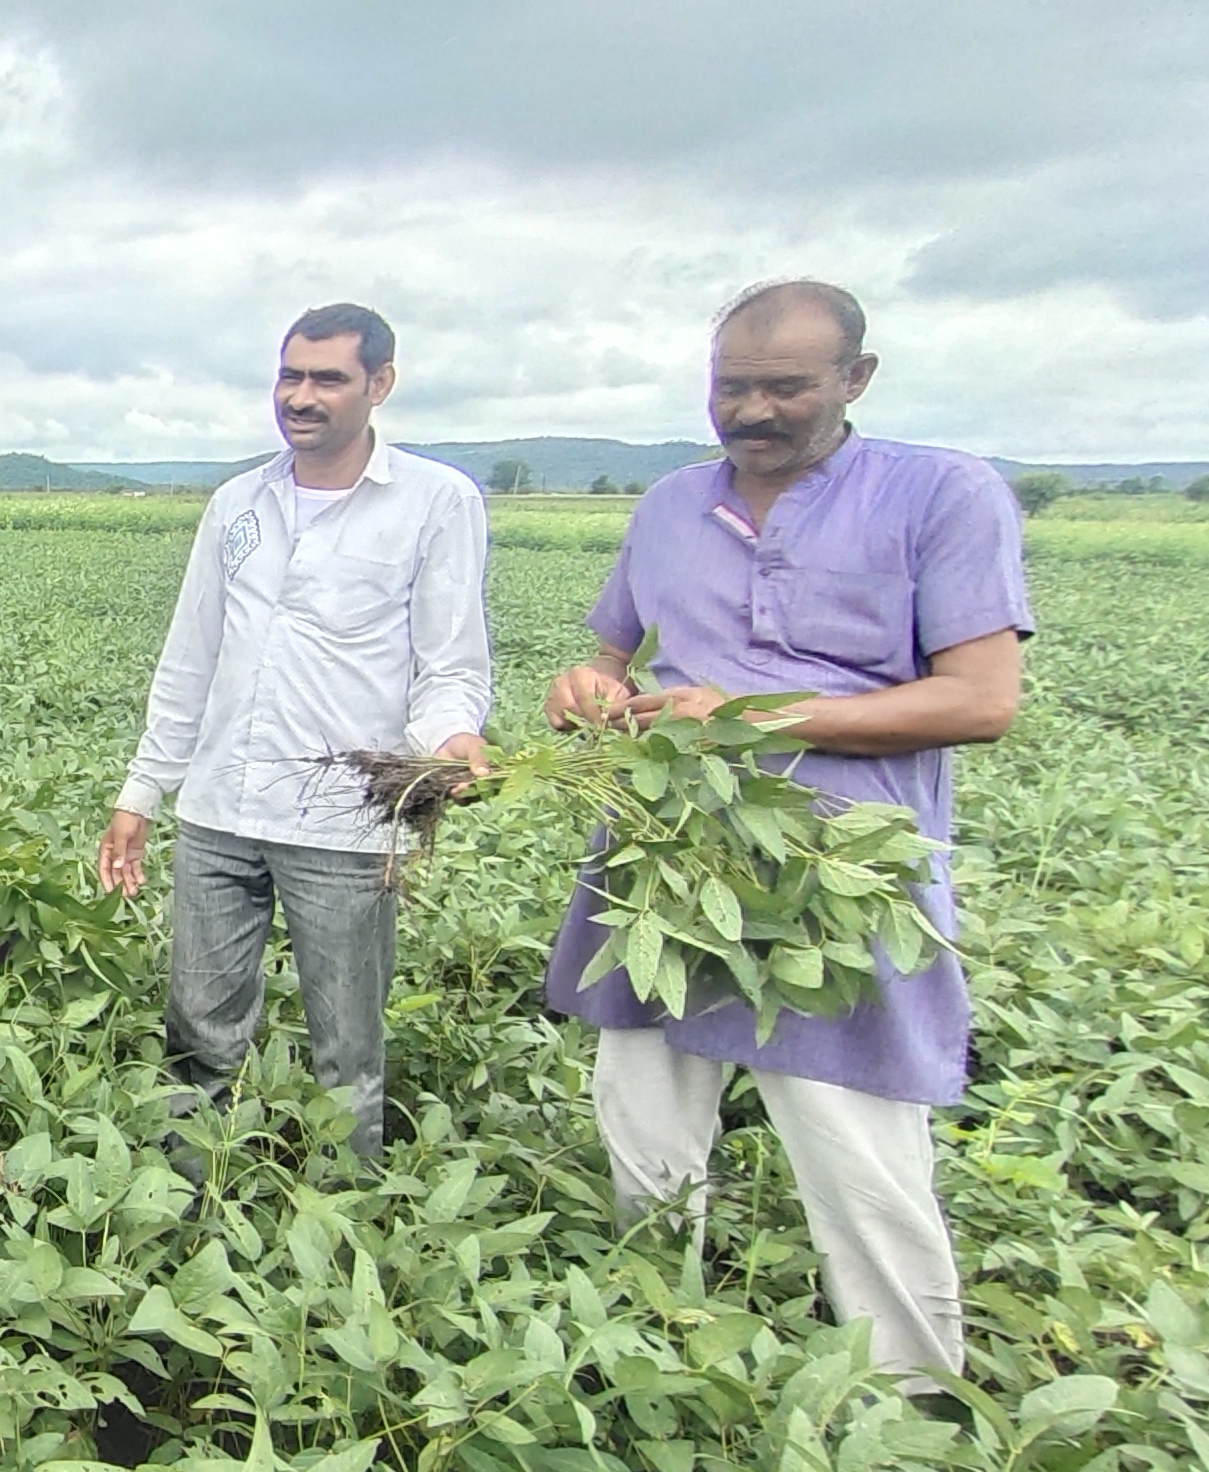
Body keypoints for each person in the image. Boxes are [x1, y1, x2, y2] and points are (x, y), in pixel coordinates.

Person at [543, 280, 1022, 1390]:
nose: (753, 409)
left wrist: (753, 715)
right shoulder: (669, 503)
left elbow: (982, 699)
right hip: (662, 865)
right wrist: (587, 687)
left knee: (858, 1148)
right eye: (732, 386)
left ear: (856, 379)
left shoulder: (943, 494)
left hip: (837, 879)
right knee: (645, 1114)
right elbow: (611, 659)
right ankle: (655, 1348)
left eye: (786, 386)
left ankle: (909, 1397)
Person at [96, 303, 492, 1160]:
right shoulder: (239, 504)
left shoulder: (434, 502)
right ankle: (182, 1197)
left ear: (379, 386)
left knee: (346, 1047)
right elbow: (191, 656)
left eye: (327, 378)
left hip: (345, 824)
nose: (300, 396)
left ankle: (343, 1215)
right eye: (290, 375)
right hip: (217, 812)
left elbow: (449, 660)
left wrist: (452, 738)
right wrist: (142, 790)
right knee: (197, 1031)